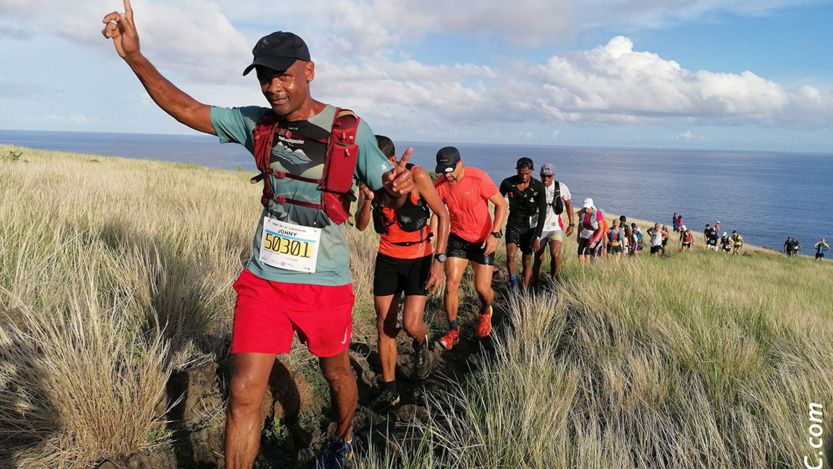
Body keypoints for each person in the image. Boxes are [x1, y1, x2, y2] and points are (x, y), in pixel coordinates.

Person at [101, 6, 416, 467]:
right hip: (264, 278)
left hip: (324, 282)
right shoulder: (258, 124)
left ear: (309, 71)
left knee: (336, 371)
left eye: (283, 76)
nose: (273, 87)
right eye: (265, 78)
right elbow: (186, 108)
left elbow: (394, 193)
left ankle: (342, 437)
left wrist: (398, 192)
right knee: (244, 389)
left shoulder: (348, 130)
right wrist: (135, 58)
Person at [354, 136, 450, 410]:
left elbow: (442, 214)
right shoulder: (368, 179)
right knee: (385, 326)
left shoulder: (417, 176)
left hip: (419, 258)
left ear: (393, 161)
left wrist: (439, 261)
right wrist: (366, 200)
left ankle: (421, 342)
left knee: (410, 325)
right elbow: (361, 226)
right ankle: (390, 390)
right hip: (387, 258)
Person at [433, 147, 508, 350]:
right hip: (457, 238)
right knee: (451, 285)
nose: (447, 174)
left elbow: (501, 204)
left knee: (482, 289)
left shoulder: (478, 178)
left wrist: (495, 234)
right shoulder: (439, 185)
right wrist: (432, 239)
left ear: (460, 163)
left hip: (483, 239)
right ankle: (453, 331)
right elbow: (437, 213)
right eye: (442, 170)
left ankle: (485, 311)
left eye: (450, 169)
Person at [499, 158, 546, 289]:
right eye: (521, 173)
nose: (524, 176)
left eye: (527, 173)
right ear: (517, 171)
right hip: (513, 223)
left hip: (530, 227)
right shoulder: (507, 183)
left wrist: (537, 236)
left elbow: (543, 212)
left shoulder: (538, 186)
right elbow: (499, 203)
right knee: (511, 254)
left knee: (526, 261)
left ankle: (524, 289)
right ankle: (514, 285)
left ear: (531, 171)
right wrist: (497, 225)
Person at [531, 163, 574, 285]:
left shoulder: (561, 187)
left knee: (555, 254)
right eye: (543, 176)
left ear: (553, 175)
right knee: (538, 258)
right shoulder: (535, 187)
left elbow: (568, 204)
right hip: (538, 228)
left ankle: (553, 280)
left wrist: (571, 224)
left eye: (549, 176)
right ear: (540, 175)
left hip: (555, 227)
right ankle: (535, 283)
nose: (546, 179)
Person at [576, 199, 604, 266]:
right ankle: (582, 268)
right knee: (580, 251)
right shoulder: (582, 213)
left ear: (591, 207)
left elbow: (601, 229)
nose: (586, 210)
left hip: (595, 234)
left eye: (588, 208)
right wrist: (578, 235)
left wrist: (595, 241)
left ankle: (587, 267)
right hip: (585, 233)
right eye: (585, 208)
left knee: (587, 251)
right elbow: (580, 225)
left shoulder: (597, 213)